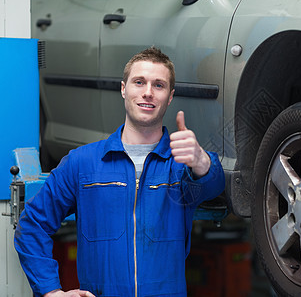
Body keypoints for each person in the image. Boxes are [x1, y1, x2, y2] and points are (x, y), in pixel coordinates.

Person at [14, 47, 225, 297]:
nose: (148, 92)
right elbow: (32, 225)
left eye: (159, 85)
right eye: (139, 82)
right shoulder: (83, 163)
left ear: (170, 97)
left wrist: (201, 160)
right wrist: (51, 291)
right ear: (124, 89)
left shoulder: (181, 164)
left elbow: (215, 185)